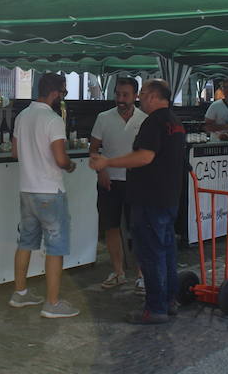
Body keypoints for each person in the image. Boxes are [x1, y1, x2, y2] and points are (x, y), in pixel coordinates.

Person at [90, 79, 186, 325]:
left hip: (150, 197)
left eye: (142, 93)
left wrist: (108, 163)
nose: (140, 98)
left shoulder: (153, 121)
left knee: (152, 253)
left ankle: (155, 307)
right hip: (168, 196)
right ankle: (169, 300)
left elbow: (144, 156)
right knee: (166, 251)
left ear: (154, 96)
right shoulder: (174, 122)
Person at [10, 73, 79, 318]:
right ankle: (52, 303)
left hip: (26, 189)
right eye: (63, 92)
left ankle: (20, 293)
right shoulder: (53, 120)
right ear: (56, 92)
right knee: (55, 247)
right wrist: (71, 165)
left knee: (25, 242)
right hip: (50, 191)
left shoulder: (23, 115)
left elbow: (15, 152)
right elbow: (61, 159)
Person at [89, 77, 147, 293]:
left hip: (137, 182)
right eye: (118, 94)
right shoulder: (103, 118)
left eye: (125, 95)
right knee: (111, 227)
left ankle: (142, 275)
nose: (121, 99)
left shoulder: (144, 119)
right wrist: (101, 169)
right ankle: (118, 272)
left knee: (139, 229)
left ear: (135, 96)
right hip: (109, 181)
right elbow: (94, 149)